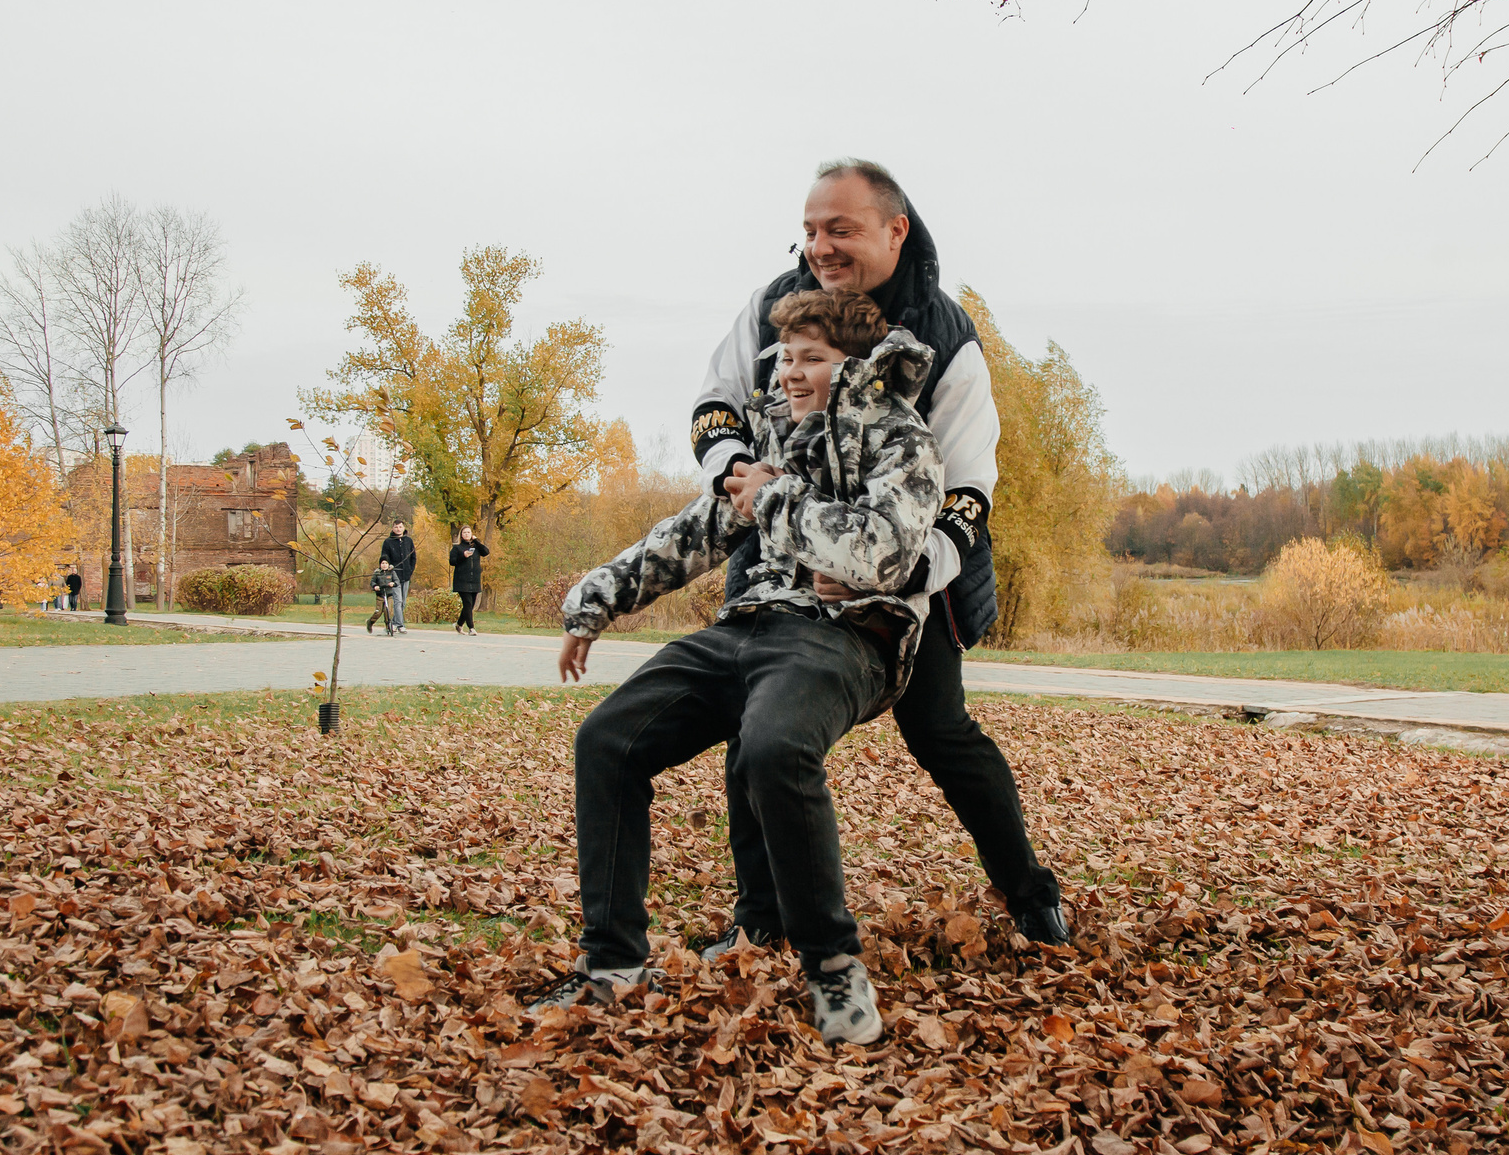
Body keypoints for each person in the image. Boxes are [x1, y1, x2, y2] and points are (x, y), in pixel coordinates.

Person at [538, 290, 940, 1045]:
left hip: (840, 638)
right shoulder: (774, 440)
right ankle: (612, 967)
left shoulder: (901, 439)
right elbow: (694, 532)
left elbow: (885, 550)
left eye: (810, 359)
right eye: (785, 357)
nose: (790, 373)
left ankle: (834, 972)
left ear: (853, 366)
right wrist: (591, 601)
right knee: (607, 740)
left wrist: (778, 499)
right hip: (745, 626)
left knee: (771, 748)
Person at [689, 159, 1070, 953]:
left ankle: (1031, 894)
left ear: (895, 230)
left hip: (910, 577)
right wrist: (738, 471)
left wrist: (894, 571)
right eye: (811, 229)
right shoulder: (772, 308)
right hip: (783, 557)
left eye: (842, 229)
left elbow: (969, 487)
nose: (821, 246)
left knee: (941, 732)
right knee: (753, 727)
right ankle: (760, 920)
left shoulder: (946, 336)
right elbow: (716, 401)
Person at [448, 525, 488, 634]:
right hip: (462, 580)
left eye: (468, 532)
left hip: (474, 580)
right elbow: (452, 561)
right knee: (467, 604)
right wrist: (463, 556)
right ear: (461, 534)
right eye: (464, 532)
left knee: (470, 605)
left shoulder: (476, 547)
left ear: (471, 534)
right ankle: (471, 628)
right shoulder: (457, 548)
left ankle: (459, 624)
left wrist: (476, 541)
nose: (466, 534)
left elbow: (486, 552)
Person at [378, 520, 416, 634]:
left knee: (403, 601)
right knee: (397, 601)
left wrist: (410, 570)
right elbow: (384, 557)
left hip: (406, 575)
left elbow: (413, 557)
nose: (398, 529)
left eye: (400, 527)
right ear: (393, 528)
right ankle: (400, 625)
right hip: (394, 576)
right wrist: (388, 567)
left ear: (403, 528)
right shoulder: (388, 542)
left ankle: (394, 623)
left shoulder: (408, 541)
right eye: (396, 527)